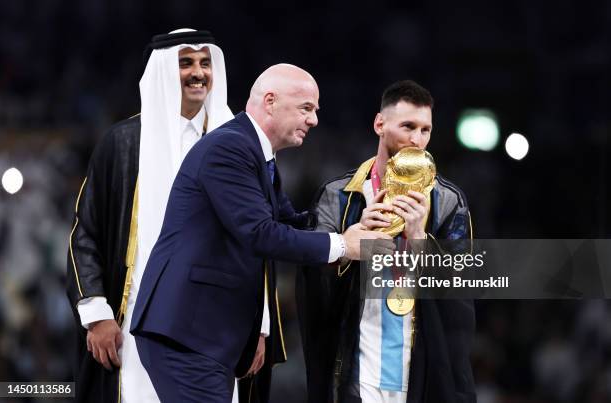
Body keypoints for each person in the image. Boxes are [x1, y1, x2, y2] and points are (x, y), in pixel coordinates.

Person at [129, 64, 391, 403]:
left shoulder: (255, 154)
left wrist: (353, 218)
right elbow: (261, 233)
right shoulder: (230, 149)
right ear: (270, 101)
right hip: (186, 331)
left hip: (203, 333)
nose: (313, 120)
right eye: (306, 108)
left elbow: (294, 222)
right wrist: (343, 245)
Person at [65, 29, 236, 403]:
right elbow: (86, 233)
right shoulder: (123, 143)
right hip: (137, 327)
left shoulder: (233, 144)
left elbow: (254, 238)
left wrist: (260, 327)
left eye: (205, 63)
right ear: (162, 70)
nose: (198, 72)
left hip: (217, 329)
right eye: (185, 62)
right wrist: (97, 313)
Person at [297, 80, 476, 403]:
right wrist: (349, 245)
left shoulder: (448, 201)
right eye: (408, 126)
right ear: (380, 124)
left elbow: (462, 288)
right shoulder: (339, 196)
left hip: (419, 366)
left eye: (425, 130)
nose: (417, 140)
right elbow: (311, 281)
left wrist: (422, 241)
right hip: (356, 365)